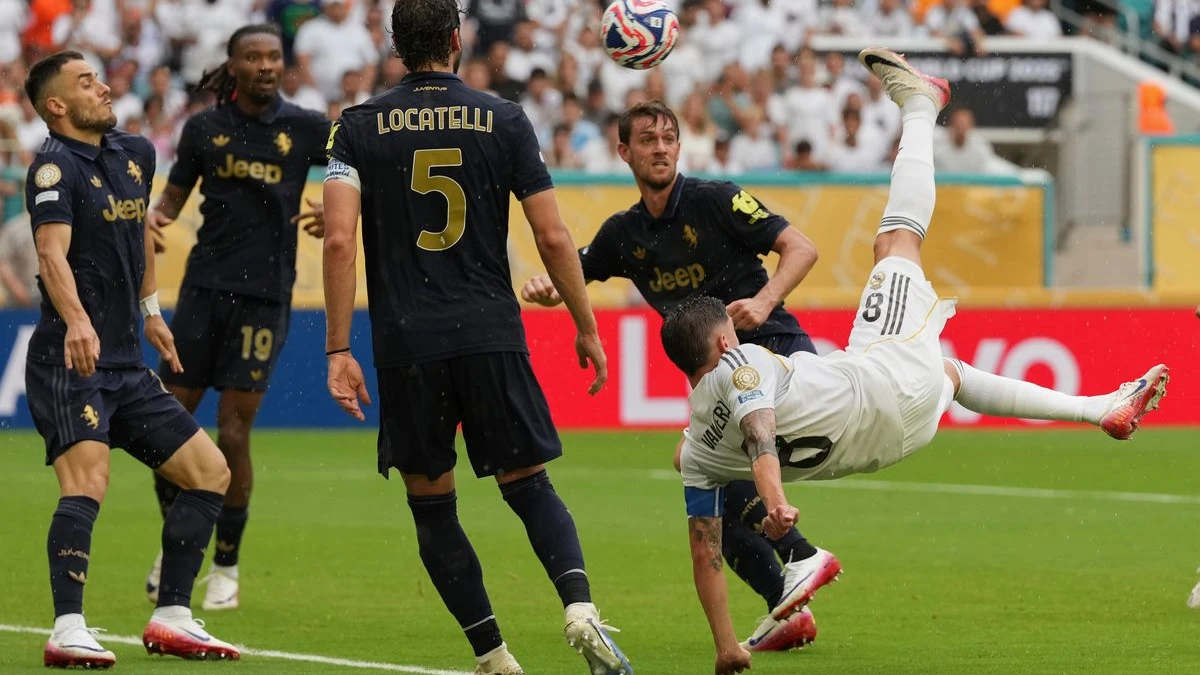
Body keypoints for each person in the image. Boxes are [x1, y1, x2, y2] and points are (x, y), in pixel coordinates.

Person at [661, 48, 1170, 675]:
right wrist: (774, 505)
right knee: (894, 241)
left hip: (894, 442)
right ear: (719, 345)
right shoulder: (748, 367)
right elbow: (759, 431)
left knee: (950, 374)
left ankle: (1099, 407)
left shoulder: (696, 452)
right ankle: (922, 104)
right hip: (889, 383)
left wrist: (724, 645)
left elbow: (703, 550)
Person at [320, 1, 632, 674]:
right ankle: (578, 604)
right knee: (530, 486)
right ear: (459, 40)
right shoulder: (505, 118)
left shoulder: (357, 126)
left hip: (407, 343)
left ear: (397, 45)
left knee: (432, 505)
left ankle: (493, 654)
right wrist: (585, 325)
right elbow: (552, 235)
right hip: (490, 330)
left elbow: (339, 237)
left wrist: (338, 348)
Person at [520, 99, 823, 652]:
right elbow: (574, 270)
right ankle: (786, 601)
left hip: (773, 354)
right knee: (706, 501)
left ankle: (801, 554)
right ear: (624, 152)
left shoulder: (716, 198)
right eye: (647, 140)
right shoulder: (624, 234)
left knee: (695, 464)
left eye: (668, 139)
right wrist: (547, 285)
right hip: (717, 381)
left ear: (680, 148)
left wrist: (763, 299)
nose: (660, 148)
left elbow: (801, 248)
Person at [22, 50, 240, 668]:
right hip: (71, 361)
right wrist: (80, 323)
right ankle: (67, 629)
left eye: (99, 77)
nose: (104, 87)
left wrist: (150, 310)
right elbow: (50, 254)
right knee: (88, 481)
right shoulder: (52, 168)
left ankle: (172, 615)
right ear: (58, 106)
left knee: (210, 473)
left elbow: (139, 229)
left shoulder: (135, 153)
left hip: (124, 363)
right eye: (86, 83)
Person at [143, 23, 331, 612]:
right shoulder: (204, 129)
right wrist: (153, 219)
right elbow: (171, 202)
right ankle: (180, 546)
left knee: (233, 431)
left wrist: (338, 210)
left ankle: (225, 563)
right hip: (201, 292)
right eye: (254, 57)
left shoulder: (305, 127)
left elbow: (361, 176)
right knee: (165, 428)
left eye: (274, 56)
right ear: (233, 65)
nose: (267, 65)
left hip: (265, 297)